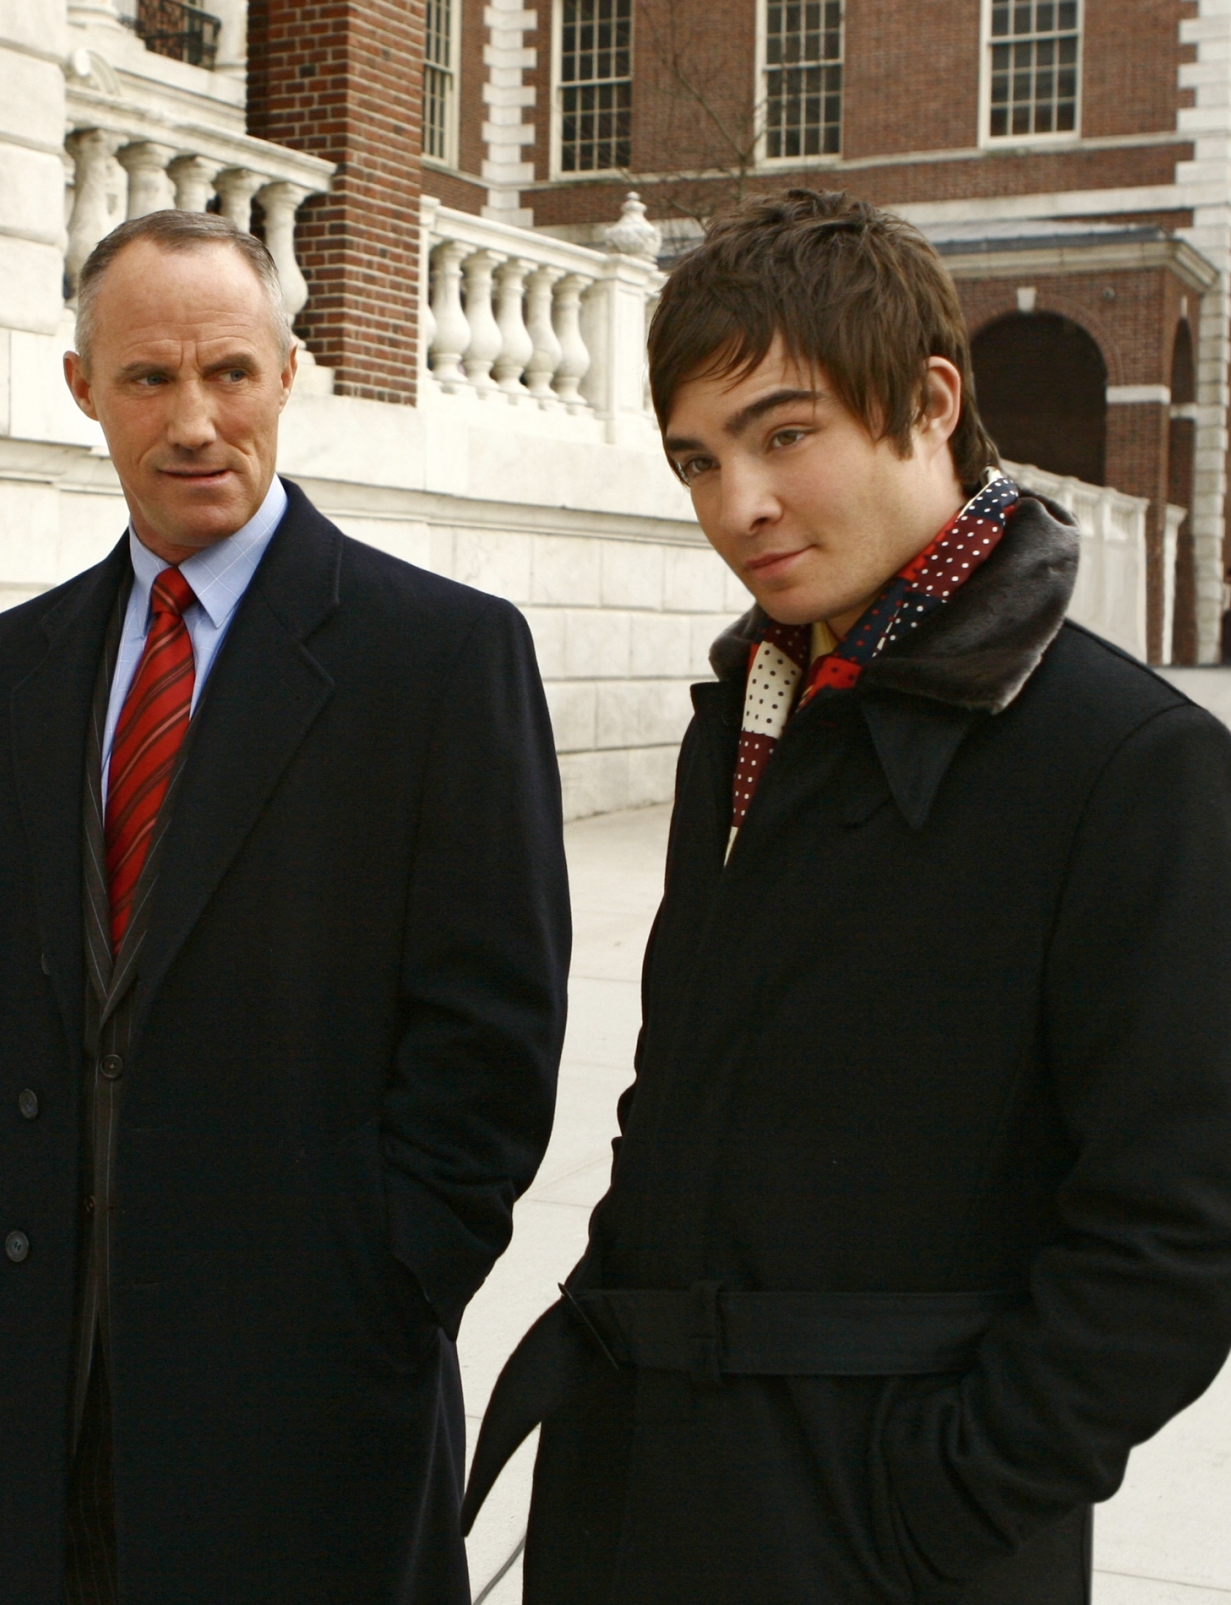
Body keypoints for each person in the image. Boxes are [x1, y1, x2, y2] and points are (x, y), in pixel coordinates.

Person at [466, 188, 1231, 1603]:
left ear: (930, 401)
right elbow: (683, 1087)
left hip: (886, 1531)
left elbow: (1174, 1239)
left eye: (784, 434)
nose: (734, 503)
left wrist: (937, 1503)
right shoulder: (749, 705)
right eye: (698, 459)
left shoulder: (1132, 763)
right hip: (641, 1485)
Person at [0, 209, 571, 1604]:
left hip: (299, 1391)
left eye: (232, 374)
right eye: (149, 379)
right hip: (28, 1391)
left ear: (290, 371)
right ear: (84, 388)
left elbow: (492, 1043)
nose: (195, 421)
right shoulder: (9, 667)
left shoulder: (440, 657)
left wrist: (387, 1292)